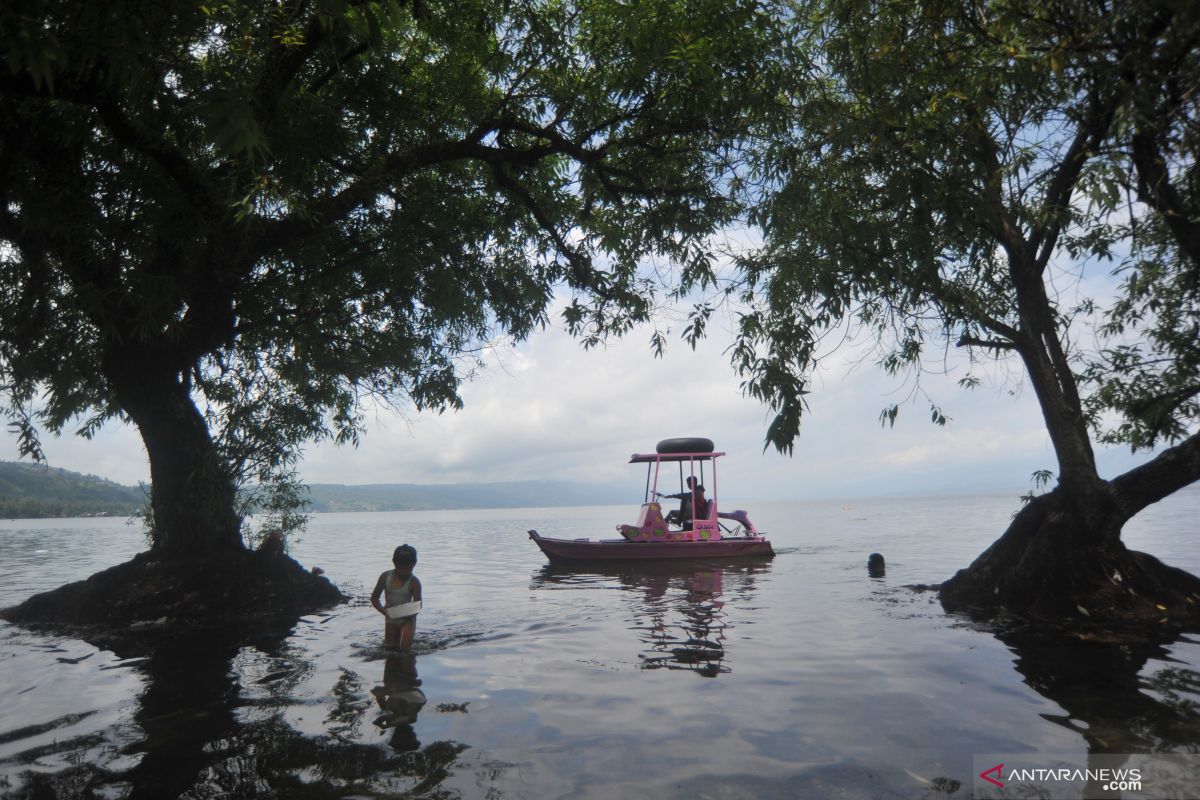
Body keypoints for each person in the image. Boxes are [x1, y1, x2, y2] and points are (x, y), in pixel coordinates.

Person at [371, 544, 423, 651]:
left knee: (404, 649)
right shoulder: (385, 577)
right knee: (390, 648)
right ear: (394, 563)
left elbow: (418, 605)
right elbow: (374, 598)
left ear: (414, 564)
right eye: (401, 568)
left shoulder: (414, 582)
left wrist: (401, 613)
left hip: (408, 620)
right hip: (391, 619)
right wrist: (384, 611)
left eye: (408, 568)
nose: (404, 572)